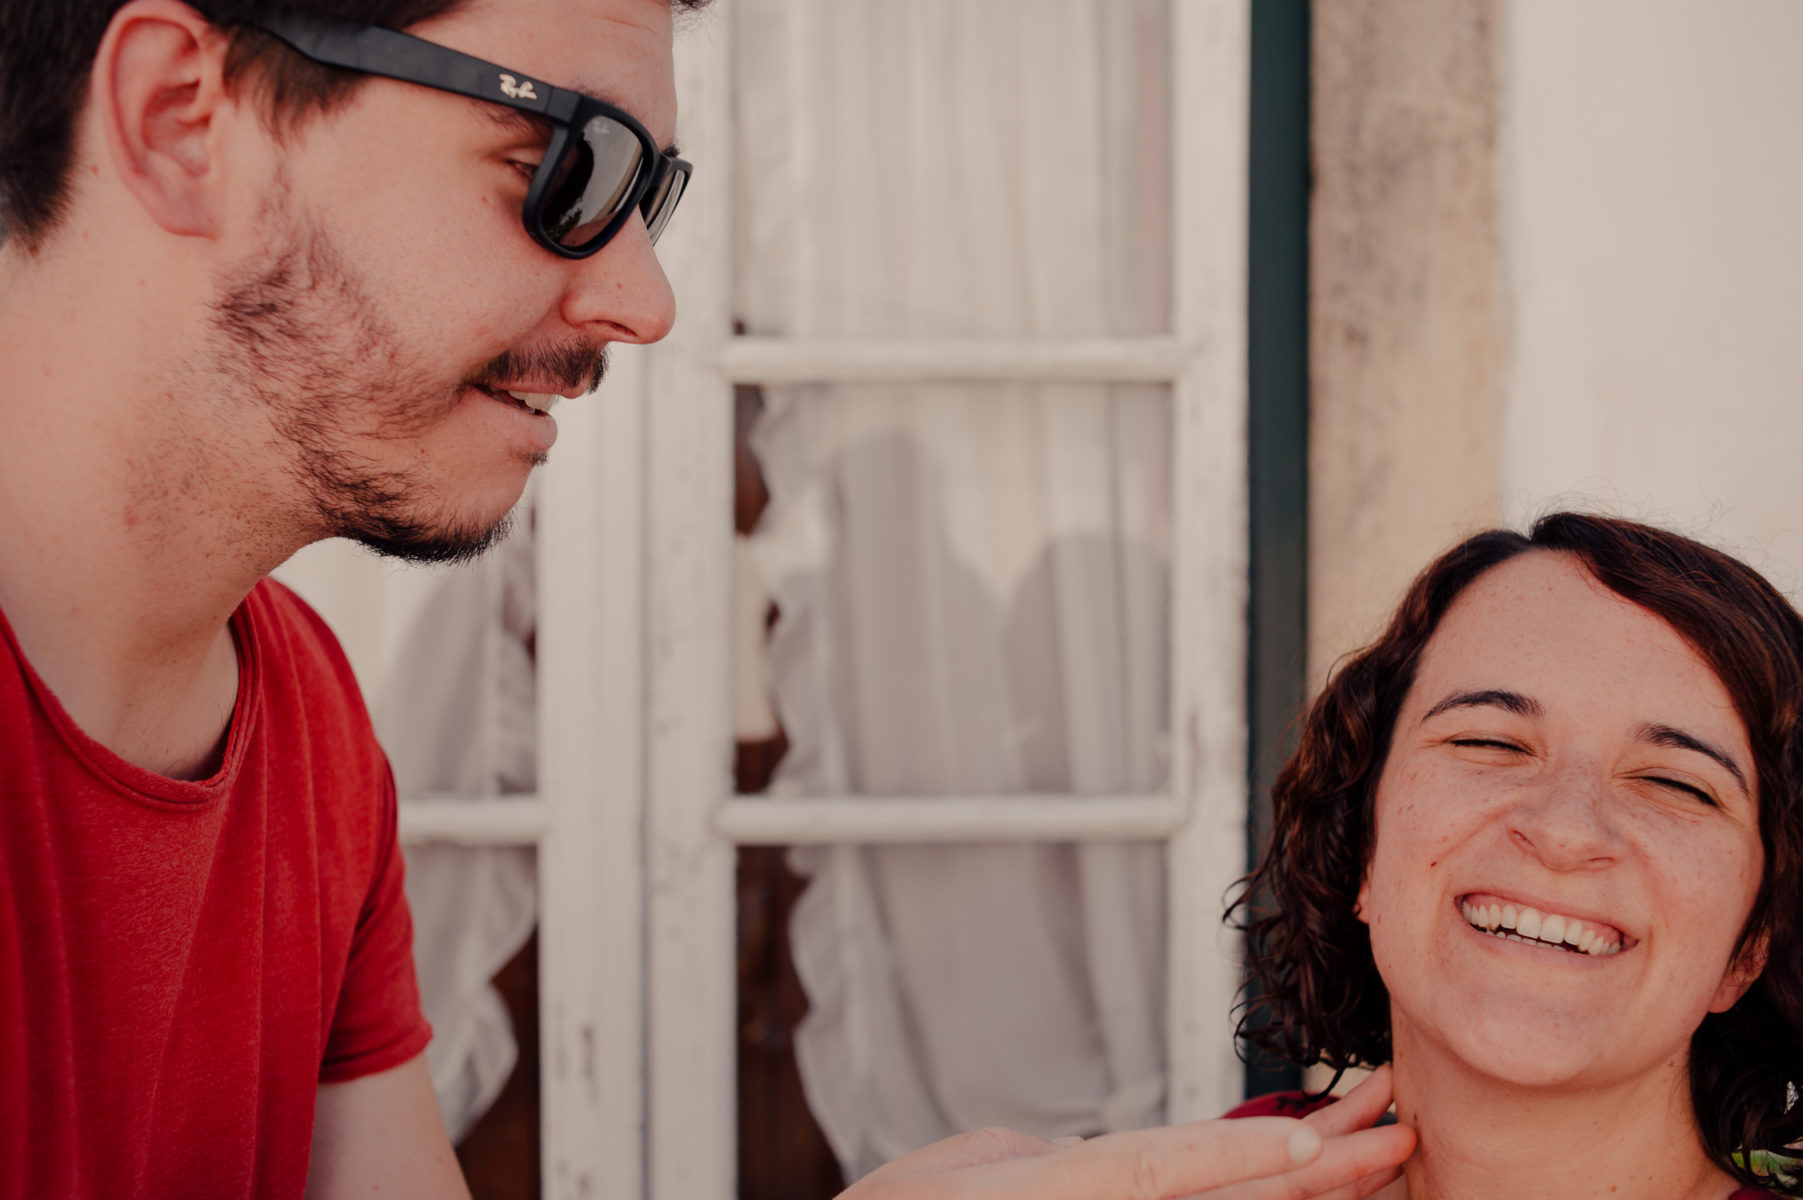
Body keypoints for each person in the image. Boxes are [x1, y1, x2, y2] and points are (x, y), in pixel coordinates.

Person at [0, 1, 1416, 1196]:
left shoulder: (306, 731)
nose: (644, 300)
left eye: (647, 197)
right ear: (181, 116)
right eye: (565, 164)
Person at [1232, 512, 1803, 1198]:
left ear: (1752, 943)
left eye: (1674, 784)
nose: (1564, 831)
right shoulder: (1226, 1174)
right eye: (1489, 742)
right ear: (1362, 847)